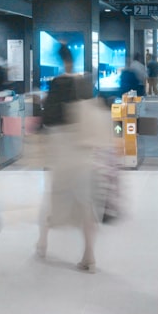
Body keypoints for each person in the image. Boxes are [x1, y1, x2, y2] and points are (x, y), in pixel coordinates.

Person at [36, 43, 110, 273]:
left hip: (61, 150)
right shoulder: (85, 83)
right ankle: (89, 255)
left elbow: (45, 119)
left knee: (54, 199)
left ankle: (42, 242)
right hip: (84, 152)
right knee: (86, 206)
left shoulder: (56, 84)